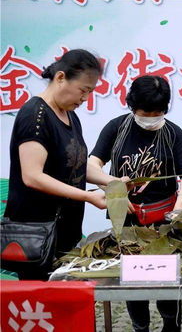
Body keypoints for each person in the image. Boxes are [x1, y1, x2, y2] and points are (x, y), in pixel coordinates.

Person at [88, 75, 182, 332]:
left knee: (167, 281)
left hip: (164, 222)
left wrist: (179, 208)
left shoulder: (173, 133)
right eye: (145, 112)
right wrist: (114, 190)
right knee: (133, 282)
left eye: (157, 112)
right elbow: (92, 165)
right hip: (126, 222)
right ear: (132, 106)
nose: (151, 117)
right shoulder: (116, 128)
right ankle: (140, 327)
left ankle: (171, 324)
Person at [4, 49, 109, 281]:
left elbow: (75, 164)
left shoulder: (69, 115)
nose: (85, 98)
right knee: (41, 308)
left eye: (90, 92)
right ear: (60, 78)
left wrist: (110, 182)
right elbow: (32, 176)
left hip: (64, 232)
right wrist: (88, 197)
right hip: (37, 237)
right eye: (83, 90)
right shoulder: (35, 115)